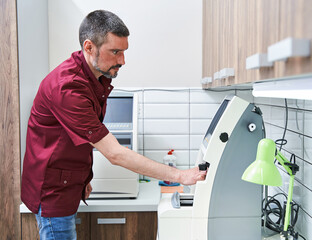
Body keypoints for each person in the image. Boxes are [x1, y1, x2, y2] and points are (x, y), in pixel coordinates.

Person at [21, 9, 206, 240]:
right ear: (89, 47)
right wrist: (180, 176)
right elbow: (115, 154)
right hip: (53, 193)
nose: (122, 60)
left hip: (69, 183)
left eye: (124, 51)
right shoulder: (67, 88)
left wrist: (83, 179)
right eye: (115, 52)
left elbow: (77, 138)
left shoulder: (94, 76)